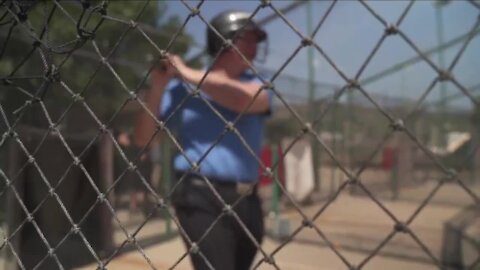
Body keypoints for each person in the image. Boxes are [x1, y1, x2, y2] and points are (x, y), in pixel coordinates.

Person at [134, 10, 272, 270]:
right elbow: (144, 137)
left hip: (248, 200)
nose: (255, 48)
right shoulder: (180, 89)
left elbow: (244, 100)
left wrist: (185, 72)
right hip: (201, 195)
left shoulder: (257, 84)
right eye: (248, 39)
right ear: (224, 41)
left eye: (256, 41)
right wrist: (158, 87)